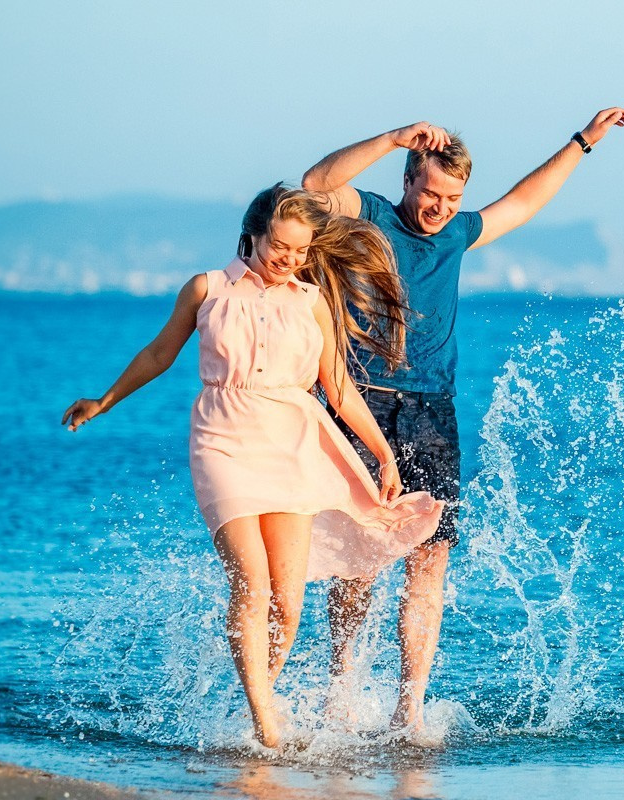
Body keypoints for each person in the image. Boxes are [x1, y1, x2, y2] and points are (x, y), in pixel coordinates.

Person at [61, 186, 444, 749]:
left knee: (288, 603)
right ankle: (267, 725)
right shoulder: (207, 289)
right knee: (252, 581)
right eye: (279, 245)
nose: (287, 258)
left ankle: (258, 704)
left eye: (299, 250)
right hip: (223, 441)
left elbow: (336, 384)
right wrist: (105, 400)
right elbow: (158, 354)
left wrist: (384, 454)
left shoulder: (310, 300)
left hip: (291, 445)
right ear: (254, 232)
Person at [301, 107, 624, 735]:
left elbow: (522, 203)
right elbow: (314, 186)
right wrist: (393, 135)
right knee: (360, 557)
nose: (440, 207)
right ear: (408, 180)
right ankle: (340, 691)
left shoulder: (455, 233)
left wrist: (584, 142)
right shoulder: (369, 216)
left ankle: (410, 706)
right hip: (361, 401)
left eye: (452, 197)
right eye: (431, 192)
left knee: (430, 558)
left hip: (432, 411)